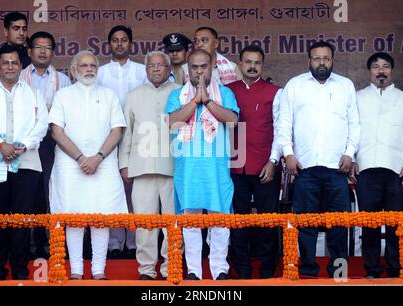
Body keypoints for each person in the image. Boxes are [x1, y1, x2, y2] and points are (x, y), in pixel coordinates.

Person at [276, 41, 360, 277]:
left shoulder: (345, 86)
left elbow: (354, 123)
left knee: (338, 224)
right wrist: (288, 153)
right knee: (306, 223)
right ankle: (308, 270)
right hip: (304, 168)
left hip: (337, 168)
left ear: (333, 60)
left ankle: (339, 271)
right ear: (309, 60)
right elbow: (284, 123)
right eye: (316, 58)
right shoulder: (295, 85)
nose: (321, 63)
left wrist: (349, 153)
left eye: (326, 58)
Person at [49, 50, 127, 280]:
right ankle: (75, 271)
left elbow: (117, 129)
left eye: (93, 65)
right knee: (73, 217)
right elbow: (56, 131)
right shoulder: (63, 95)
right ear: (73, 70)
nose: (89, 69)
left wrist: (98, 157)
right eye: (83, 66)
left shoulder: (109, 95)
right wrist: (81, 158)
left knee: (100, 218)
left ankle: (98, 270)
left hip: (103, 164)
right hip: (70, 166)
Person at [0, 45, 48, 280]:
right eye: (5, 63)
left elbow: (42, 124)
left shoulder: (34, 93)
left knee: (22, 218)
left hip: (27, 163)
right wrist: (0, 145)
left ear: (21, 66)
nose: (10, 67)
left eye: (15, 63)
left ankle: (20, 269)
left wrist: (23, 145)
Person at [165, 49, 239, 280]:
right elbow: (172, 121)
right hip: (188, 170)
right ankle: (194, 271)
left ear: (212, 66)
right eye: (194, 67)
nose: (199, 71)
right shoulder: (177, 95)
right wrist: (196, 99)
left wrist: (208, 100)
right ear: (188, 68)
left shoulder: (225, 93)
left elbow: (233, 119)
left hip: (217, 170)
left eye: (203, 66)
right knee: (190, 222)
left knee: (220, 220)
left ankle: (219, 270)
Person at [350, 52, 403, 278]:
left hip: (397, 169)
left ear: (392, 71)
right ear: (369, 71)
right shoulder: (357, 98)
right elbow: (350, 131)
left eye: (386, 66)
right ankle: (372, 270)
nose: (381, 71)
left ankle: (396, 269)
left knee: (396, 224)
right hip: (365, 168)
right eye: (376, 67)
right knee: (368, 223)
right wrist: (351, 158)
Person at [119, 51, 180, 280]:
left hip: (173, 168)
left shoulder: (180, 92)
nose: (156, 69)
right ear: (146, 70)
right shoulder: (134, 95)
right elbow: (127, 132)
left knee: (172, 222)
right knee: (145, 224)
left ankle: (170, 267)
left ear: (168, 69)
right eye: (151, 66)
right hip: (141, 168)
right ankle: (146, 270)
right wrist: (124, 164)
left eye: (161, 65)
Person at [226, 45, 282, 279]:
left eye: (257, 62)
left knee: (267, 219)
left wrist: (273, 160)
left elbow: (281, 130)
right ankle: (243, 269)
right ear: (240, 64)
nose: (252, 66)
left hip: (265, 165)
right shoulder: (227, 91)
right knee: (238, 221)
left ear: (262, 65)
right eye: (248, 62)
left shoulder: (275, 91)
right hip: (234, 165)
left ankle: (268, 269)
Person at [20, 31, 71, 260]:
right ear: (29, 51)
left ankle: (51, 244)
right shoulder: (18, 76)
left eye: (47, 47)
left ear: (53, 52)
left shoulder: (63, 80)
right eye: (38, 47)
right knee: (27, 193)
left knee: (50, 192)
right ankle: (28, 244)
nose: (42, 51)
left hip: (52, 143)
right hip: (25, 144)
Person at [97, 25, 147, 259]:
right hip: (108, 136)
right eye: (115, 40)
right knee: (113, 188)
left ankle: (136, 242)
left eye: (124, 40)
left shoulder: (141, 71)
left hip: (138, 137)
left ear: (130, 43)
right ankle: (115, 242)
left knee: (136, 189)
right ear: (109, 44)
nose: (119, 44)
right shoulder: (101, 72)